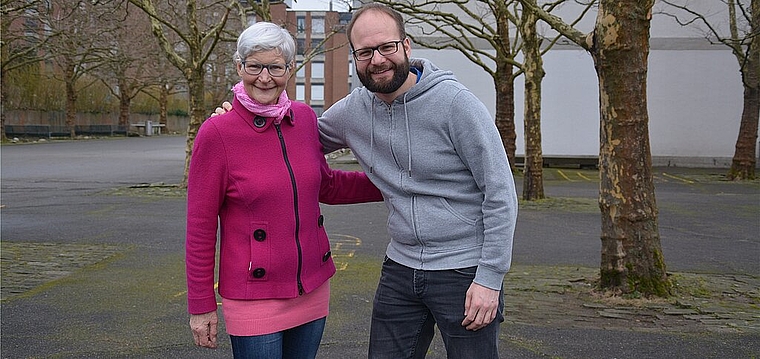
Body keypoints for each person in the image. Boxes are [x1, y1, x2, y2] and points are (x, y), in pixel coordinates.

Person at [214, 4, 518, 357]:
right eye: (365, 52)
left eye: (386, 47)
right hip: (401, 267)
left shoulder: (456, 105)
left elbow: (500, 194)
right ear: (354, 57)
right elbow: (291, 139)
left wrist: (489, 278)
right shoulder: (353, 111)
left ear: (407, 45)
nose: (377, 59)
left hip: (463, 269)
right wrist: (238, 120)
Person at [186, 22, 382, 359]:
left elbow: (328, 185)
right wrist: (201, 305)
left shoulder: (304, 119)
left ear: (290, 70)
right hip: (253, 294)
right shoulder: (217, 133)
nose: (265, 78)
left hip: (312, 284)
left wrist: (395, 183)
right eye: (254, 66)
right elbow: (200, 228)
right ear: (239, 67)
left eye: (275, 67)